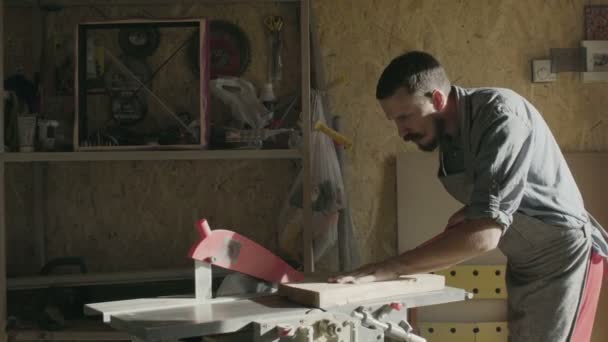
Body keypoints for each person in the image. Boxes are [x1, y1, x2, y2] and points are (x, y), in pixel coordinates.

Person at [328, 51, 608, 341]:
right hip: (524, 263)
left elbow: (485, 235)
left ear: (437, 99)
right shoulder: (449, 137)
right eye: (394, 121)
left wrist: (389, 268)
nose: (401, 132)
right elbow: (494, 203)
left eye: (405, 117)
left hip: (564, 260)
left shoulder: (500, 116)